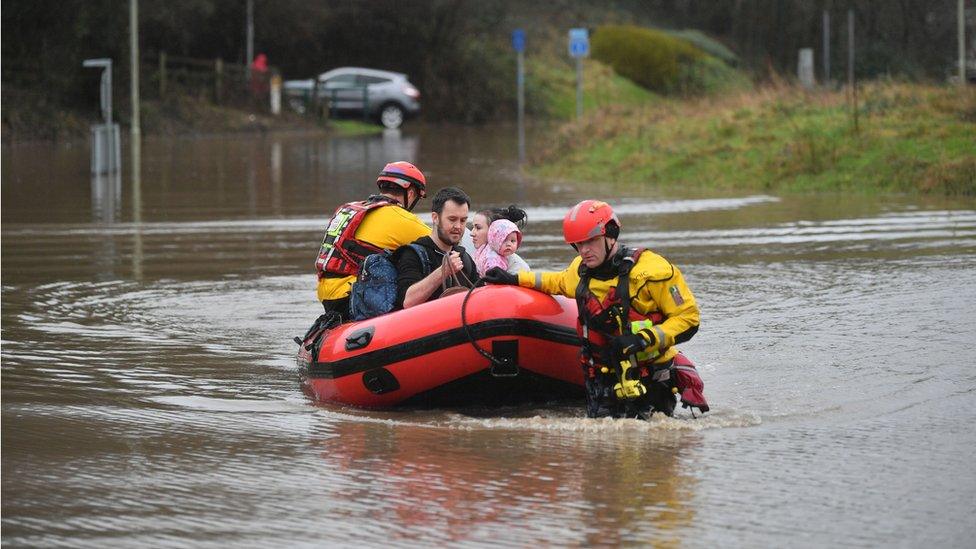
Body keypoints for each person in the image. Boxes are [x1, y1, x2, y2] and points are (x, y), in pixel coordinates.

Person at [482, 199, 708, 419]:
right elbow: (556, 281)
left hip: (651, 377)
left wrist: (642, 339)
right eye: (578, 244)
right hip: (601, 378)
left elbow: (688, 319)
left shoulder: (653, 270)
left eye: (590, 241)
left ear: (610, 234)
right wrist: (513, 278)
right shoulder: (580, 271)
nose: (584, 251)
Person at [314, 161, 430, 322]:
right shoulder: (402, 218)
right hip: (353, 296)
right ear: (410, 193)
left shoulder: (349, 208)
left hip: (327, 295)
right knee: (416, 258)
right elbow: (440, 245)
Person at [395, 187, 479, 309]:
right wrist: (443, 272)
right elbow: (407, 302)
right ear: (435, 218)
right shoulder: (412, 254)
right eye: (452, 219)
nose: (458, 226)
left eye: (463, 220)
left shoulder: (464, 257)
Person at [467, 205, 531, 273]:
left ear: (495, 231)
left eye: (478, 228)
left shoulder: (518, 268)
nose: (472, 233)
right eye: (473, 227)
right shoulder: (479, 253)